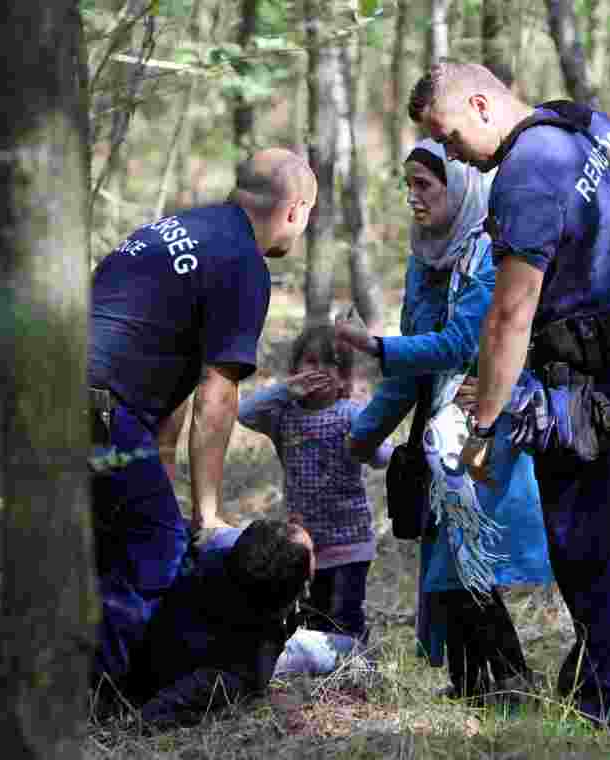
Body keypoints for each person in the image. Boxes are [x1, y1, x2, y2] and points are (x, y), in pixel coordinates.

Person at [407, 62, 610, 724]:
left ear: (480, 105)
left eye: (447, 136)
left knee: (592, 550)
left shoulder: (527, 170)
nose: (450, 153)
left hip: (583, 391)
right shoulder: (584, 126)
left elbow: (509, 315)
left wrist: (481, 426)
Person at [88, 148, 317, 685]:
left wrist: (167, 485)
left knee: (111, 540)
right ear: (293, 211)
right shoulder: (242, 263)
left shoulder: (179, 228)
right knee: (158, 547)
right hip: (98, 406)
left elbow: (168, 380)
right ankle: (116, 699)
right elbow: (217, 395)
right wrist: (208, 513)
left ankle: (76, 681)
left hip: (59, 395)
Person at [338, 138, 553, 704]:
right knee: (447, 559)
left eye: (424, 185)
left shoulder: (487, 252)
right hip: (438, 429)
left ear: (456, 188)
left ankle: (507, 680)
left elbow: (460, 343)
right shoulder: (423, 258)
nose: (412, 197)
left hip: (485, 422)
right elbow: (416, 362)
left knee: (462, 556)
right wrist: (363, 434)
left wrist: (375, 346)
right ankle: (473, 682)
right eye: (407, 184)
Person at [237, 323, 393, 642]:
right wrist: (285, 390)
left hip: (351, 541)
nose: (319, 370)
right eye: (310, 361)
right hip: (303, 543)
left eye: (331, 363)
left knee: (345, 617)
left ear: (345, 378)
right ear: (294, 369)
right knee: (310, 620)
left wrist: (373, 439)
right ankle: (318, 678)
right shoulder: (283, 415)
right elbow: (244, 413)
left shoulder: (351, 414)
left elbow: (380, 457)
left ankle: (352, 669)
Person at [99, 519, 314, 729]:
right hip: (152, 662)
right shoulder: (242, 672)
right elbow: (159, 708)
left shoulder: (214, 555)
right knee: (341, 648)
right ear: (301, 592)